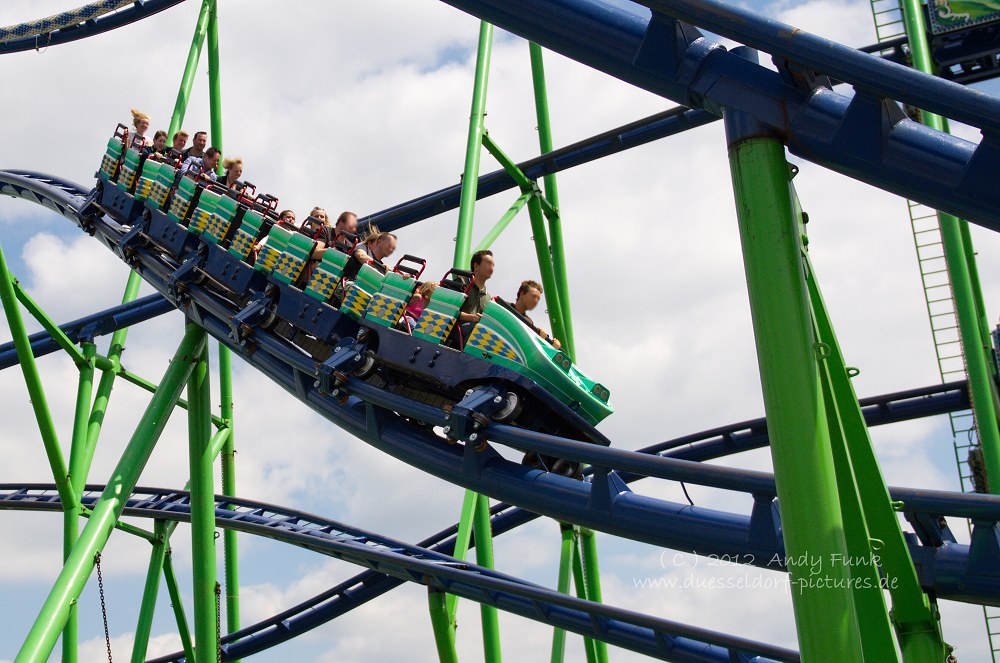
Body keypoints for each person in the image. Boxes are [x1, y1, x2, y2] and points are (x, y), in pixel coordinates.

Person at [513, 279, 561, 349]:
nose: (536, 301)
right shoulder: (501, 305)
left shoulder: (529, 322)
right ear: (522, 294)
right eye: (533, 296)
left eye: (538, 299)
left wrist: (553, 343)